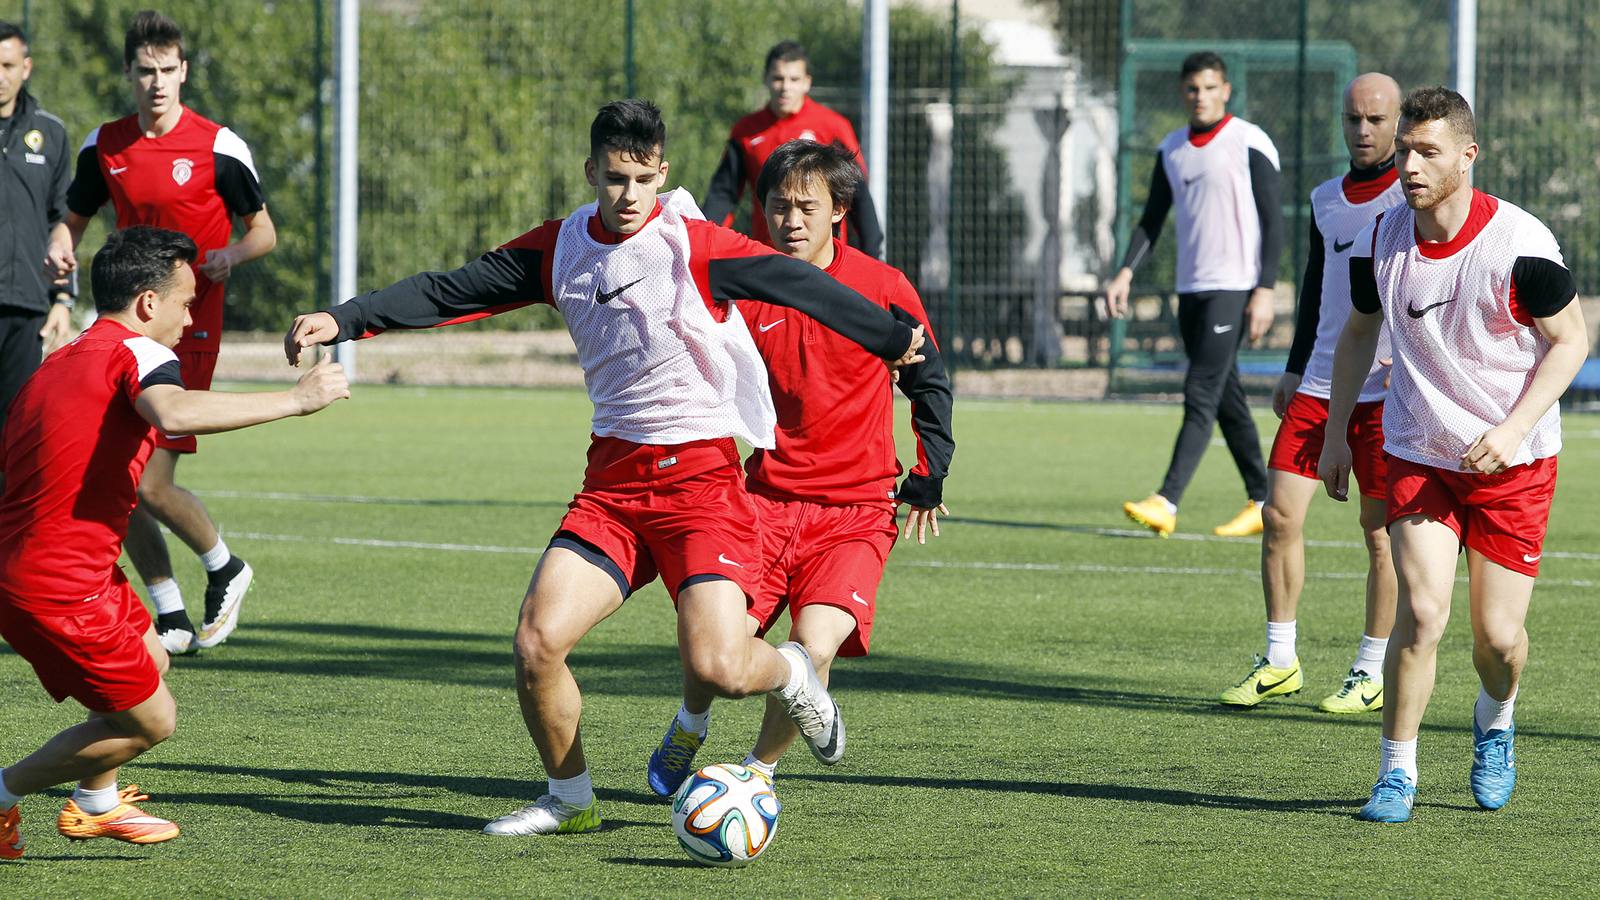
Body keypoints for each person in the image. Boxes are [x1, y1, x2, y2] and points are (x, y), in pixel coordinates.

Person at [283, 100, 924, 837]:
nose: (629, 196)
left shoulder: (695, 243)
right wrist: (347, 317)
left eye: (644, 179)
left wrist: (888, 335)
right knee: (536, 643)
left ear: (663, 174)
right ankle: (571, 799)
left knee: (719, 667)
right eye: (615, 178)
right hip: (614, 486)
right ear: (592, 171)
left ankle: (792, 675)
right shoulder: (561, 249)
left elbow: (798, 283)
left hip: (703, 487)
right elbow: (452, 289)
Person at [0, 226, 347, 858]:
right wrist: (297, 402)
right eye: (187, 302)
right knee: (153, 721)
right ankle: (2, 794)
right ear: (147, 304)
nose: (192, 318)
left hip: (59, 570)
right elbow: (176, 414)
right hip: (61, 586)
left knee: (154, 659)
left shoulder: (66, 356)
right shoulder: (139, 353)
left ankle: (96, 803)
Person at [644, 140, 954, 796]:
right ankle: (690, 722)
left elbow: (929, 378)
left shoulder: (882, 287)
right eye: (778, 205)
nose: (790, 219)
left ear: (839, 210)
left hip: (856, 512)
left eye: (806, 207)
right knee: (714, 649)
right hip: (759, 502)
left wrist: (931, 469)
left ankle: (757, 776)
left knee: (811, 649)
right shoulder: (746, 288)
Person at [1319, 87, 1586, 823]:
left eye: (1427, 151)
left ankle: (1496, 721)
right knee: (1424, 613)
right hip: (1419, 451)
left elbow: (1572, 343)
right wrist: (1339, 431)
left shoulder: (1520, 247)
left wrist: (1509, 430)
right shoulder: (1385, 236)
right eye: (1405, 148)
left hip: (1516, 461)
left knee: (1497, 640)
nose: (1409, 163)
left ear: (1467, 157)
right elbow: (1354, 337)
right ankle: (1395, 774)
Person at [63, 11, 277, 656]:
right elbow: (71, 220)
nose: (157, 83)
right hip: (124, 332)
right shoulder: (105, 145)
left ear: (183, 71)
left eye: (168, 70)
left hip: (188, 331)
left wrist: (229, 258)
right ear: (129, 73)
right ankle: (172, 612)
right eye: (145, 71)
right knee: (116, 476)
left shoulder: (218, 146)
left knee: (148, 483)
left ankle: (224, 567)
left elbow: (262, 232)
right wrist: (58, 256)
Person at [1220, 74, 1404, 712]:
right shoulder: (1326, 198)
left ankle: (1370, 668)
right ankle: (1279, 658)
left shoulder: (1414, 198)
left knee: (1380, 534)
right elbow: (1313, 288)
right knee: (1278, 517)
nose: (1362, 131)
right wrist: (1295, 367)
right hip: (1320, 386)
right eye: (1353, 119)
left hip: (1388, 395)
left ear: (1400, 123)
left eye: (1376, 120)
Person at [1106, 51, 1285, 539]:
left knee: (1201, 390)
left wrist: (1264, 290)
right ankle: (1263, 498)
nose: (1200, 96)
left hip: (1235, 287)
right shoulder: (1171, 149)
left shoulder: (1249, 141)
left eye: (1209, 88)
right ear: (1183, 93)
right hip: (1192, 291)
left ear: (1225, 90)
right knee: (1224, 397)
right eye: (1192, 89)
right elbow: (1151, 220)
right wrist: (1124, 271)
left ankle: (1166, 500)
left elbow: (1273, 222)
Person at [703, 40, 883, 259]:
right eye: (778, 78)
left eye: (794, 79)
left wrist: (872, 254)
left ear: (807, 83)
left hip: (825, 262)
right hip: (769, 257)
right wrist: (705, 245)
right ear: (766, 80)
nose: (785, 87)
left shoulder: (832, 127)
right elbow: (724, 194)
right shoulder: (746, 132)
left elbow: (858, 195)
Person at [0, 21, 76, 431]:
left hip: (28, 309)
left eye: (8, 64)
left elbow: (64, 221)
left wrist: (63, 299)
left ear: (25, 67)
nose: (0, 76)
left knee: (16, 435)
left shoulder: (50, 133)